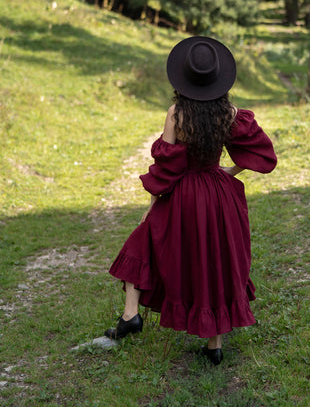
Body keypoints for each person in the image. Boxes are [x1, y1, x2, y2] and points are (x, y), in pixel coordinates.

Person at [105, 36, 277, 365]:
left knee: (143, 243)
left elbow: (166, 168)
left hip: (183, 194)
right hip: (219, 194)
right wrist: (230, 170)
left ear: (183, 77)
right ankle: (215, 345)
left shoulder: (177, 113)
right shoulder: (229, 112)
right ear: (218, 77)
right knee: (218, 261)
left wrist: (152, 207)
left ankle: (131, 315)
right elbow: (262, 151)